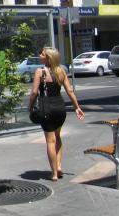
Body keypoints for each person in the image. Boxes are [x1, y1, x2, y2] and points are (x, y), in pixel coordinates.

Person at [28, 47, 85, 182]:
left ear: (48, 57)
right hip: (60, 109)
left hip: (46, 109)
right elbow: (70, 91)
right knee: (57, 137)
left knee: (50, 141)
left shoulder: (40, 72)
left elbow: (34, 92)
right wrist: (77, 107)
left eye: (42, 54)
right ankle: (59, 166)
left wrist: (30, 107)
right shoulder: (61, 71)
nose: (39, 55)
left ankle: (54, 173)